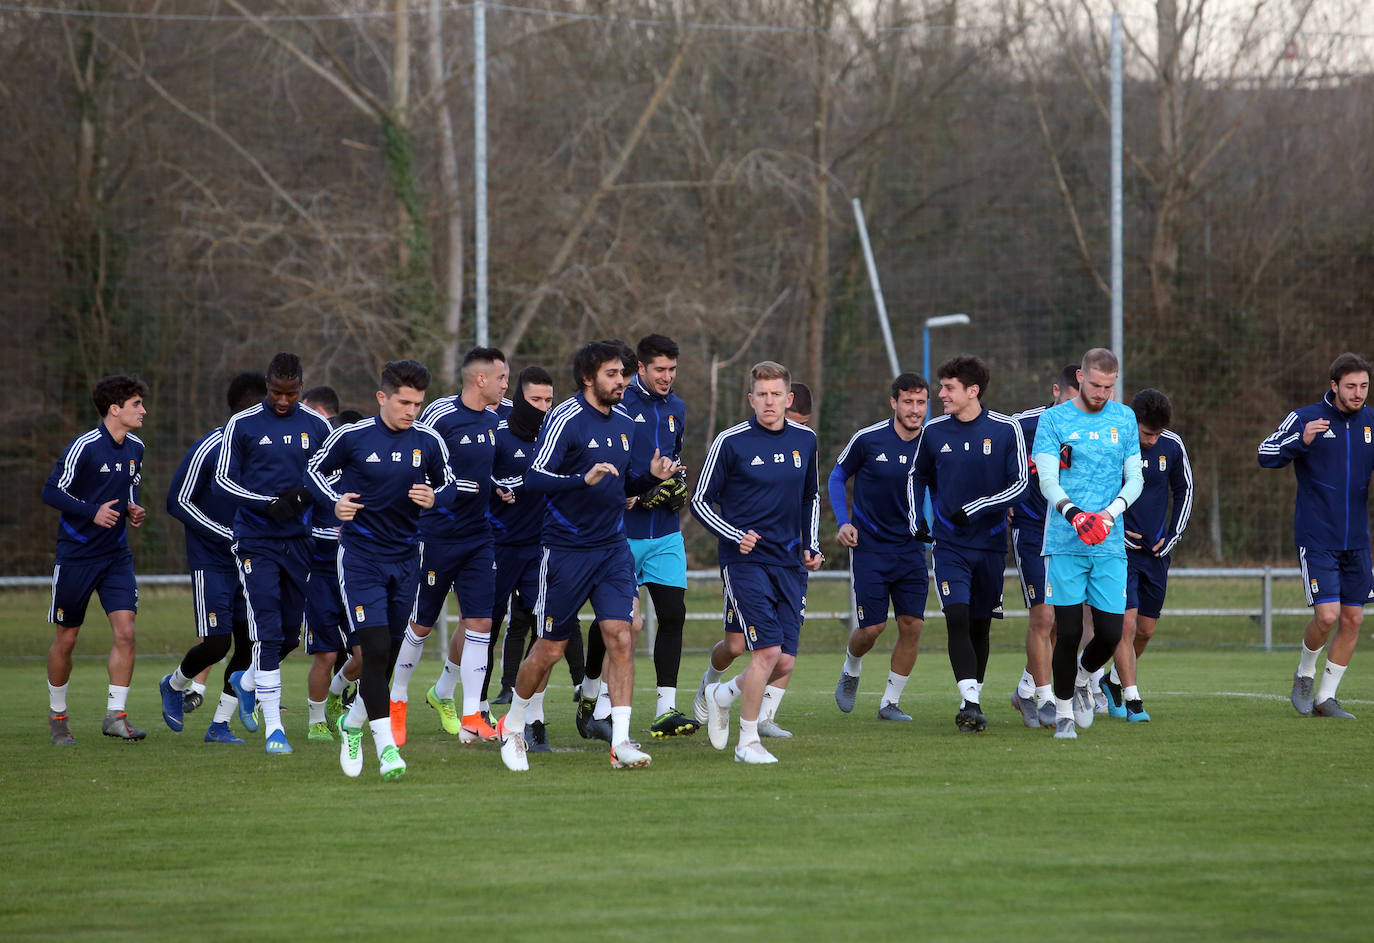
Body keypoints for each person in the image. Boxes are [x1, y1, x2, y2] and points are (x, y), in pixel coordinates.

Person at [496, 341, 679, 771]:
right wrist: (582, 479)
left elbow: (621, 484)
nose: (622, 382)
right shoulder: (565, 418)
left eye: (624, 374)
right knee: (550, 650)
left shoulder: (625, 422)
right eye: (613, 374)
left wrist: (648, 479)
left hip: (612, 549)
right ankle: (515, 724)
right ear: (588, 378)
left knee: (622, 632)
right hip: (564, 551)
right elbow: (534, 479)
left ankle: (621, 741)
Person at [306, 359, 457, 779]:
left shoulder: (428, 441)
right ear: (382, 398)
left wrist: (435, 499)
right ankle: (386, 747)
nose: (411, 411)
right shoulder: (352, 437)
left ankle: (351, 724)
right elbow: (313, 471)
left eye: (418, 403)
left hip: (407, 559)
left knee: (386, 654)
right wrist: (333, 503)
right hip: (360, 557)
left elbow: (450, 486)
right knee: (371, 650)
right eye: (404, 402)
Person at [691, 361, 823, 764]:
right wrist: (735, 535)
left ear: (788, 398)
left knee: (783, 660)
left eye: (776, 394)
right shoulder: (731, 442)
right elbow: (699, 501)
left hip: (789, 563)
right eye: (761, 395)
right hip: (744, 562)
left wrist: (811, 543)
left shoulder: (806, 440)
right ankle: (747, 743)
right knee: (765, 651)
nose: (769, 401)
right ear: (751, 399)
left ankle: (722, 693)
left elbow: (810, 497)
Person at [215, 352, 333, 754]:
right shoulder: (242, 424)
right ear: (267, 385)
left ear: (300, 387)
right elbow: (223, 480)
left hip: (300, 542)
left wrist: (303, 494)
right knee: (265, 628)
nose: (283, 401)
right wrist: (266, 503)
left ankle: (246, 682)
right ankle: (275, 729)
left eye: (291, 393)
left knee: (289, 632)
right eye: (276, 393)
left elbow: (329, 473)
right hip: (255, 540)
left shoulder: (317, 425)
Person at [391, 347, 508, 745]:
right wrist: (448, 493)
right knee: (421, 623)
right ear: (481, 379)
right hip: (437, 536)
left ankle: (473, 713)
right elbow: (418, 462)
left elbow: (478, 473)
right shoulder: (440, 414)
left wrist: (497, 488)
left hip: (479, 538)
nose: (505, 386)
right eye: (502, 378)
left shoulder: (494, 418)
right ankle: (398, 701)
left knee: (481, 624)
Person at [907, 355, 1027, 732]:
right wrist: (918, 518)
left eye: (948, 388)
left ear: (972, 391)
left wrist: (977, 508)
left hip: (990, 546)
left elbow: (1020, 484)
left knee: (980, 626)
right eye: (941, 387)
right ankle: (971, 703)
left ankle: (970, 697)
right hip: (949, 545)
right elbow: (916, 476)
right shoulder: (934, 432)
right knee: (956, 616)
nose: (940, 394)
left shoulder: (1007, 430)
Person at [1031, 347, 1143, 739]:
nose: (1102, 393)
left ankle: (1082, 677)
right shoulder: (1053, 419)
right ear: (1080, 377)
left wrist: (1108, 515)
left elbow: (1135, 479)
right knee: (1068, 629)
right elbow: (1046, 479)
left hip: (1109, 542)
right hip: (1065, 540)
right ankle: (1064, 714)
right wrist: (1074, 514)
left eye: (1110, 387)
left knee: (1112, 633)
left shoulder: (1125, 418)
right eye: (1096, 384)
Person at [1260, 352, 1374, 719]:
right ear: (1334, 386)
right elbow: (1266, 453)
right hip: (1317, 537)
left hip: (1357, 540)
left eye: (1364, 386)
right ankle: (1305, 672)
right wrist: (1300, 442)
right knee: (1327, 616)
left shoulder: (1370, 422)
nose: (1358, 394)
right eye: (1351, 386)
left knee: (1353, 619)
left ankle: (1326, 698)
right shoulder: (1307, 418)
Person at [159, 372, 266, 743]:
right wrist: (227, 535)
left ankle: (219, 725)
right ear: (248, 409)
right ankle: (174, 684)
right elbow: (177, 501)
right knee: (218, 643)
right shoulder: (210, 446)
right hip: (213, 562)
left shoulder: (261, 453)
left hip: (250, 563)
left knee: (251, 644)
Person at [42, 375, 150, 744]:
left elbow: (128, 490)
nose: (143, 411)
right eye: (137, 404)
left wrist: (132, 509)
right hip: (76, 556)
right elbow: (50, 491)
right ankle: (58, 716)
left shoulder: (136, 447)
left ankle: (116, 716)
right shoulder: (85, 447)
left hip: (116, 556)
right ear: (114, 409)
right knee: (67, 638)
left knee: (126, 631)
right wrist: (91, 512)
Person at [486, 366, 584, 752]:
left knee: (549, 631)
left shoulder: (554, 435)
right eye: (536, 400)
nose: (544, 407)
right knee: (486, 626)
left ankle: (534, 721)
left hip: (541, 548)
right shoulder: (497, 437)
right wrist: (496, 489)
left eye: (549, 400)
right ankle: (475, 711)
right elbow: (476, 483)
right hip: (497, 547)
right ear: (519, 400)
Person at [831, 372, 930, 722]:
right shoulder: (868, 439)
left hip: (912, 549)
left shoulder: (932, 443)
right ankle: (851, 666)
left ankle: (890, 703)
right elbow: (837, 476)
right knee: (872, 628)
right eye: (908, 402)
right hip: (870, 547)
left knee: (912, 625)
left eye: (921, 402)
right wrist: (844, 522)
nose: (915, 409)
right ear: (894, 402)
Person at [1095, 389, 1193, 722]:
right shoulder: (1113, 444)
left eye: (1157, 433)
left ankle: (1111, 680)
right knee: (1126, 624)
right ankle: (1134, 701)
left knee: (1146, 630)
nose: (1152, 440)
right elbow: (1095, 491)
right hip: (1118, 553)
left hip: (1157, 554)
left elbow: (1185, 490)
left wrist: (1173, 536)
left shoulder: (1173, 446)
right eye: (1146, 432)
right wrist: (1114, 530)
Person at [620, 333, 697, 738]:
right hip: (622, 534)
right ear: (641, 369)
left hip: (665, 532)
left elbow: (674, 456)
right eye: (660, 370)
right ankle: (595, 700)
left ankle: (666, 709)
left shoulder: (677, 408)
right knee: (620, 625)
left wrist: (674, 485)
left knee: (673, 614)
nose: (667, 377)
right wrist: (630, 494)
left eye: (672, 369)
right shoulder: (621, 403)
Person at [1008, 364, 1079, 728]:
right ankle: (1047, 698)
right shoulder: (1026, 424)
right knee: (1044, 616)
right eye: (1070, 398)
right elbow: (998, 444)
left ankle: (1024, 689)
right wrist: (1004, 498)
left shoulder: (1091, 429)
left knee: (1065, 620)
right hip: (1032, 528)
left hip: (1069, 533)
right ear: (1056, 391)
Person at [298, 385, 351, 742]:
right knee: (327, 651)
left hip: (358, 570)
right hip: (319, 571)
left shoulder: (363, 478)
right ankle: (316, 719)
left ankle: (336, 694)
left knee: (366, 651)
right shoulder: (316, 477)